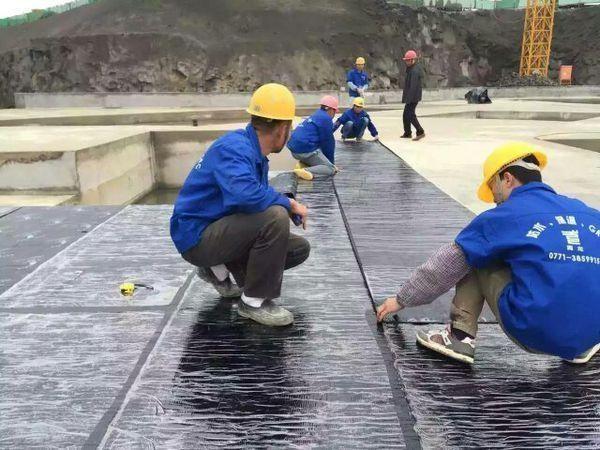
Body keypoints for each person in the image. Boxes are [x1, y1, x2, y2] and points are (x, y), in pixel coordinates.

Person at [377, 142, 600, 364]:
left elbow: (445, 266)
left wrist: (401, 299)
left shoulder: (503, 217)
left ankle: (460, 337)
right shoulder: (588, 213)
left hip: (536, 329)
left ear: (508, 178)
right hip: (591, 334)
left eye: (493, 186)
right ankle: (580, 345)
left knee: (477, 251)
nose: (494, 198)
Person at [170, 83, 311, 327]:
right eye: (290, 128)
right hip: (196, 238)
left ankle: (218, 269)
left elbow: (252, 193)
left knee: (297, 248)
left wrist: (283, 202)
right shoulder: (234, 149)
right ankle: (254, 302)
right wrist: (286, 204)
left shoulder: (252, 151)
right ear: (282, 129)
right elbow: (245, 197)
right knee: (275, 217)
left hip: (216, 229)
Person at [288, 95, 339, 181]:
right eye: (334, 111)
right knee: (329, 169)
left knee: (318, 150)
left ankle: (303, 163)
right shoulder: (326, 119)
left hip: (295, 149)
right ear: (331, 110)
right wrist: (331, 164)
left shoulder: (316, 114)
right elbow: (328, 143)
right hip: (305, 150)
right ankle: (305, 171)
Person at [401, 50, 425, 141]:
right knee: (405, 114)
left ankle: (420, 131)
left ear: (413, 60)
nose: (406, 62)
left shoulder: (415, 71)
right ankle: (407, 133)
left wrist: (409, 99)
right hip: (411, 96)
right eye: (406, 60)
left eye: (408, 60)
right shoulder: (411, 68)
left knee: (410, 114)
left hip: (413, 96)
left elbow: (413, 86)